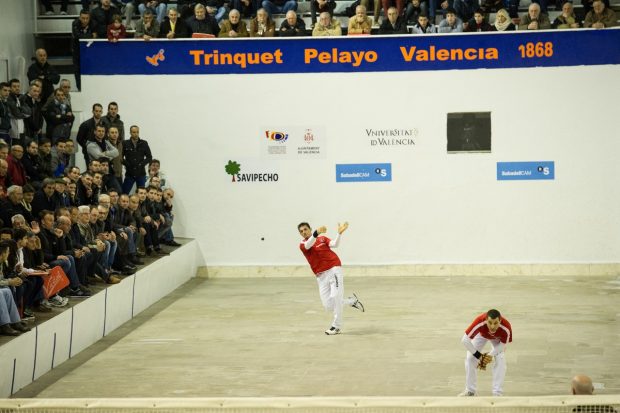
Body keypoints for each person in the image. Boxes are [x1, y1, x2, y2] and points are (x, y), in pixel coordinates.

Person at [297, 222, 364, 335]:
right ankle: (351, 301)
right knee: (328, 306)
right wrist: (316, 232)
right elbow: (309, 244)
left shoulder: (322, 238)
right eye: (301, 231)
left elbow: (334, 244)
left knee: (336, 297)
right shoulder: (303, 244)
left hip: (334, 269)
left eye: (305, 229)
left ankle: (336, 326)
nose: (304, 232)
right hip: (321, 276)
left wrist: (339, 233)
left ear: (310, 229)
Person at [458, 309, 512, 397]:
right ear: (486, 320)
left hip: (497, 338)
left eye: (496, 323)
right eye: (490, 322)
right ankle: (470, 391)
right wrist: (479, 356)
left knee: (500, 359)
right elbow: (464, 340)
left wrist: (489, 356)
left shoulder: (506, 327)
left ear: (500, 321)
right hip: (482, 334)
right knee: (470, 358)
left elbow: (502, 345)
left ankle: (497, 393)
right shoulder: (479, 321)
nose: (492, 326)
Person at [72, 10, 98, 91]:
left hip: (89, 50)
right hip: (77, 49)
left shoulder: (94, 23)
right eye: (83, 18)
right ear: (80, 17)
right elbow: (77, 36)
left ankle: (91, 88)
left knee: (90, 69)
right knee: (77, 70)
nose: (85, 20)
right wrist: (90, 35)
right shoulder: (75, 23)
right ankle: (79, 88)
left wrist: (84, 36)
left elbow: (96, 36)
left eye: (87, 18)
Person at [122, 125, 152, 194]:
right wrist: (127, 164)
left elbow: (149, 157)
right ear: (130, 132)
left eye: (137, 132)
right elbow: (121, 157)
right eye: (134, 132)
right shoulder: (125, 143)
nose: (136, 134)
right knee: (124, 193)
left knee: (141, 194)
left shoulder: (144, 143)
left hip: (141, 173)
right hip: (130, 173)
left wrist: (142, 164)